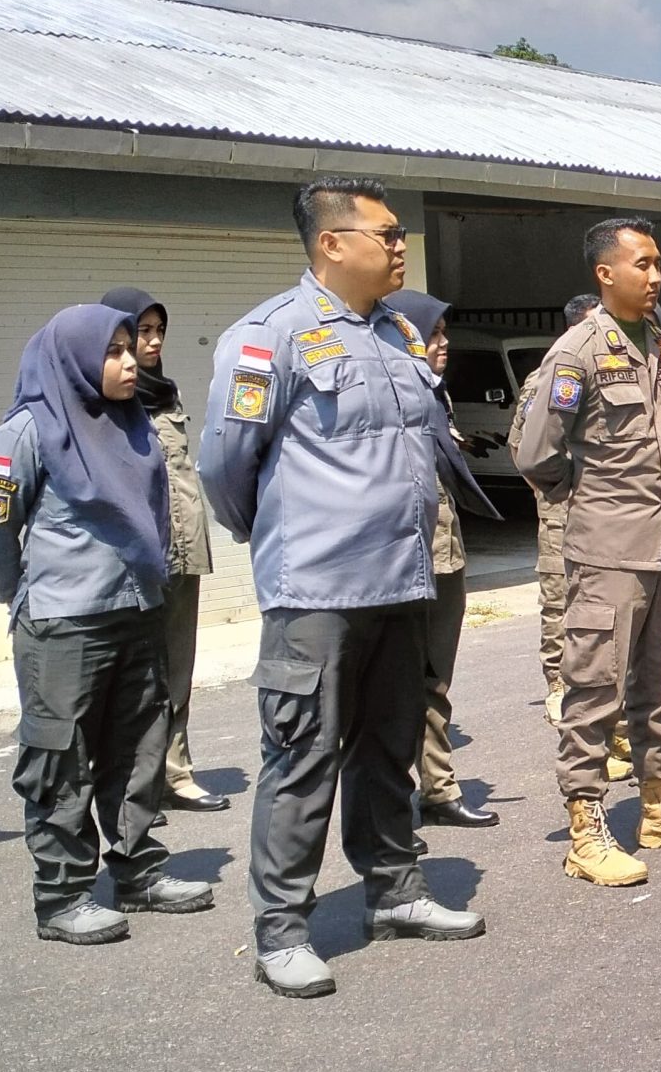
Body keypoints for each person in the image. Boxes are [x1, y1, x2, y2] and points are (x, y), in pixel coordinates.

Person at [199, 178, 489, 999]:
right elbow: (226, 467)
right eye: (387, 234)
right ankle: (281, 929)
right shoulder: (270, 338)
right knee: (300, 756)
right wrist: (289, 539)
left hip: (401, 582)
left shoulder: (395, 335)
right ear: (333, 243)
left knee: (388, 748)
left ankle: (394, 892)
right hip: (318, 590)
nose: (401, 247)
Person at [513, 216, 661, 888]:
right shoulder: (575, 354)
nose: (655, 276)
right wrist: (595, 499)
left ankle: (660, 807)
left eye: (658, 263)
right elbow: (535, 455)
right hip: (608, 551)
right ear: (605, 273)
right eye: (641, 264)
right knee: (595, 689)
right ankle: (585, 831)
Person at [0, 306, 216, 944]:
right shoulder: (25, 432)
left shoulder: (132, 423)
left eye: (129, 348)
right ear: (75, 358)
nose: (130, 361)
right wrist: (19, 595)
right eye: (113, 351)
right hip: (63, 624)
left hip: (136, 611)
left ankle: (137, 871)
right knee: (60, 759)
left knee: (138, 748)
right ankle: (60, 896)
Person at [98, 287, 226, 812]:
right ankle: (132, 781)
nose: (149, 344)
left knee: (177, 669)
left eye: (157, 332)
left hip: (181, 552)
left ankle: (175, 772)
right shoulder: (104, 403)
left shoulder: (166, 394)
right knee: (130, 675)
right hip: (132, 562)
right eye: (139, 333)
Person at [391, 290, 499, 832]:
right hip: (403, 559)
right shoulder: (388, 397)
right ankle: (392, 800)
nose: (443, 342)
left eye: (442, 332)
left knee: (434, 679)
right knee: (397, 685)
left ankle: (437, 788)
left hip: (444, 553)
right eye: (431, 333)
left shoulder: (436, 397)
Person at [524, 291, 602, 726]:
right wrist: (559, 490)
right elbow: (526, 450)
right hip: (561, 512)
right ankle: (558, 686)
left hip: (603, 513)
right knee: (559, 603)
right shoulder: (548, 379)